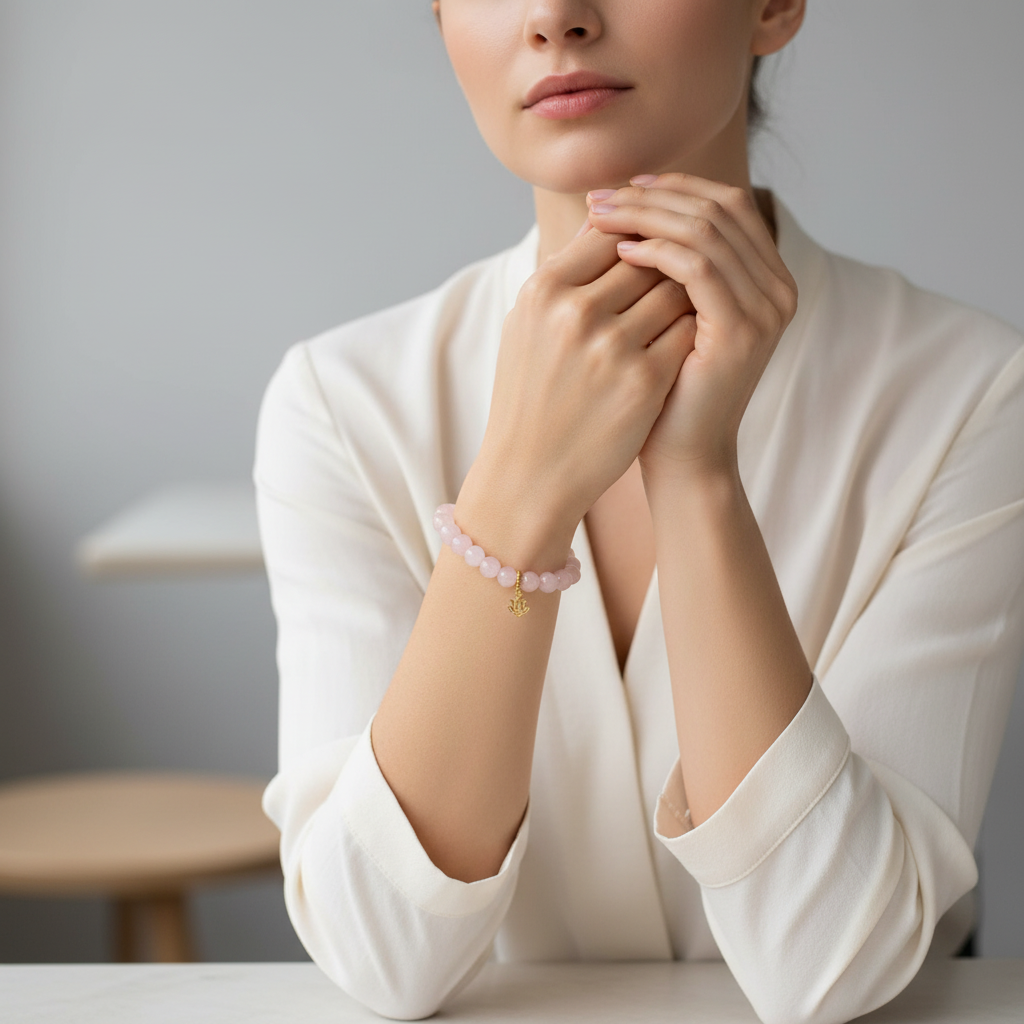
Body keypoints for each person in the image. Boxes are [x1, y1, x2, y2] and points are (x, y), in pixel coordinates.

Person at [254, 3, 1024, 1022]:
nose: (553, 18)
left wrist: (697, 475)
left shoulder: (968, 393)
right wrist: (516, 489)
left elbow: (830, 964)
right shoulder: (344, 405)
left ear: (772, 7)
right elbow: (378, 952)